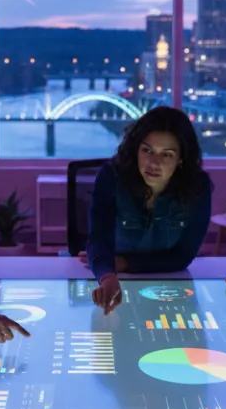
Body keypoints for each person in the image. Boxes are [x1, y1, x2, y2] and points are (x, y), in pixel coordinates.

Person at [85, 106, 213, 312]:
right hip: (112, 279)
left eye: (167, 155)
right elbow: (99, 239)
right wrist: (107, 274)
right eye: (147, 151)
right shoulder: (111, 176)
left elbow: (183, 256)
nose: (154, 163)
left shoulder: (198, 187)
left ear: (181, 159)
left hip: (169, 287)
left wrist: (125, 263)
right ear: (136, 149)